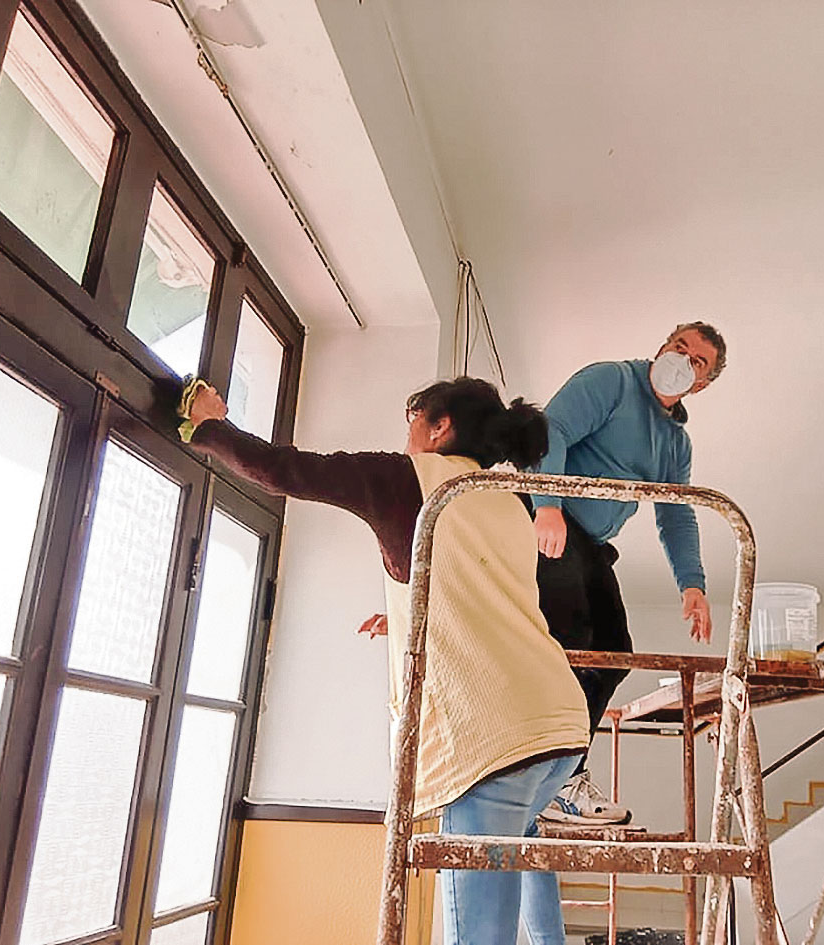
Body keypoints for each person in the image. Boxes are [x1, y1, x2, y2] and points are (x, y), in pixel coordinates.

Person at [179, 376, 589, 945]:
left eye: (413, 422)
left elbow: (283, 470)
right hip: (560, 729)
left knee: (477, 936)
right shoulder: (505, 501)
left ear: (440, 426)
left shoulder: (409, 480)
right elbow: (487, 598)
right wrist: (404, 617)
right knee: (519, 844)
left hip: (491, 743)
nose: (407, 438)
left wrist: (209, 425)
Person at [530, 322, 727, 825]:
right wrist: (546, 505)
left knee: (615, 655)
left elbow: (676, 514)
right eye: (679, 346)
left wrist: (693, 585)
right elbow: (551, 430)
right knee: (572, 643)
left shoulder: (675, 446)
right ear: (662, 344)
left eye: (697, 362)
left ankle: (562, 776)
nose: (682, 359)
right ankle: (546, 775)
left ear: (702, 385)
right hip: (551, 522)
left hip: (592, 544)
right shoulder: (613, 381)